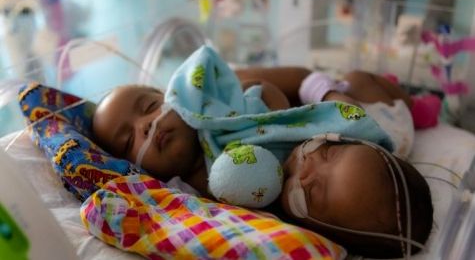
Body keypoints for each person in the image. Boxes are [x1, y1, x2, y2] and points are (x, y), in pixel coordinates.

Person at [92, 62, 432, 258]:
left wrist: (326, 98)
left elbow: (301, 78)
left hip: (352, 124)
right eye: (128, 139)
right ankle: (405, 102)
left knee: (362, 82)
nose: (305, 163)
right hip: (346, 111)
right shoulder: (190, 190)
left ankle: (413, 103)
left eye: (151, 107)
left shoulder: (228, 93)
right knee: (356, 81)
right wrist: (334, 97)